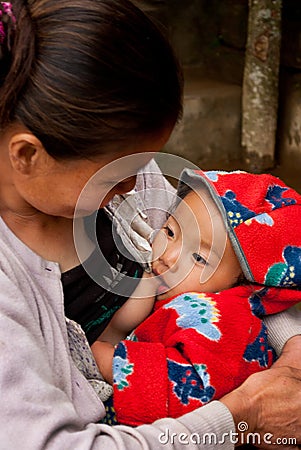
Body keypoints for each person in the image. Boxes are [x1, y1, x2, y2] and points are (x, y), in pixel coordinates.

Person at [0, 1, 301, 449]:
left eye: (146, 162)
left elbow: (247, 276)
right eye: (117, 173)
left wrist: (293, 357)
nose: (140, 186)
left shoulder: (134, 188)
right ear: (27, 155)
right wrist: (242, 417)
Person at [91, 168, 301, 426]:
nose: (168, 256)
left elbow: (196, 390)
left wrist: (112, 362)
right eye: (169, 232)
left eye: (199, 258)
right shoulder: (181, 295)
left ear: (247, 284)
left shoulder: (221, 319)